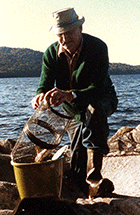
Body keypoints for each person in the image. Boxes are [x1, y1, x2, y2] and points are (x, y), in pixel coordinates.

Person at [31, 7, 118, 196]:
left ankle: (94, 181)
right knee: (78, 154)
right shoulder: (51, 53)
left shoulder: (98, 48)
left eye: (68, 33)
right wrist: (39, 96)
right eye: (60, 35)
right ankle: (82, 185)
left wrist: (70, 94)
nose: (64, 39)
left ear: (80, 28)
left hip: (102, 98)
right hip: (72, 108)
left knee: (93, 113)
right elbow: (43, 85)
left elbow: (97, 87)